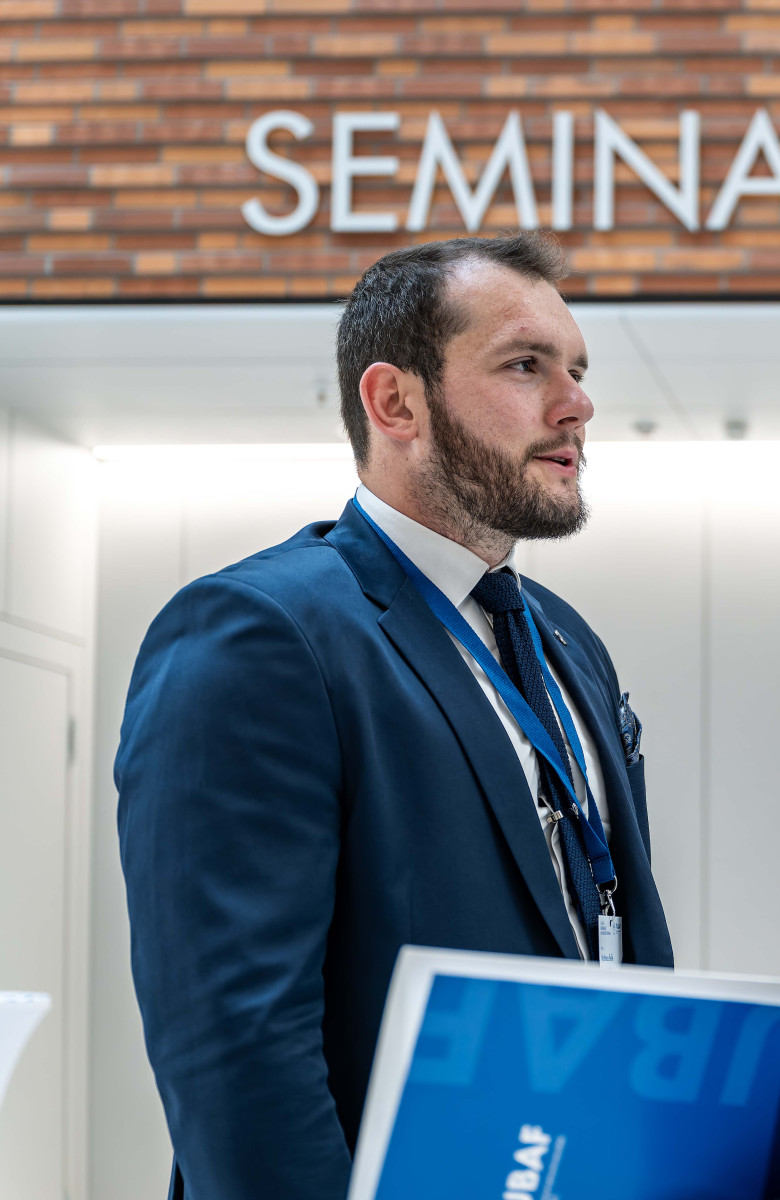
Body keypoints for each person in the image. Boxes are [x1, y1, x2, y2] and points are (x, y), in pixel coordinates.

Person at [115, 232, 672, 1200]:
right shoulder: (260, 634)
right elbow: (237, 1052)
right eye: (526, 365)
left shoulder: (567, 642)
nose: (576, 403)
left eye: (578, 371)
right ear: (395, 403)